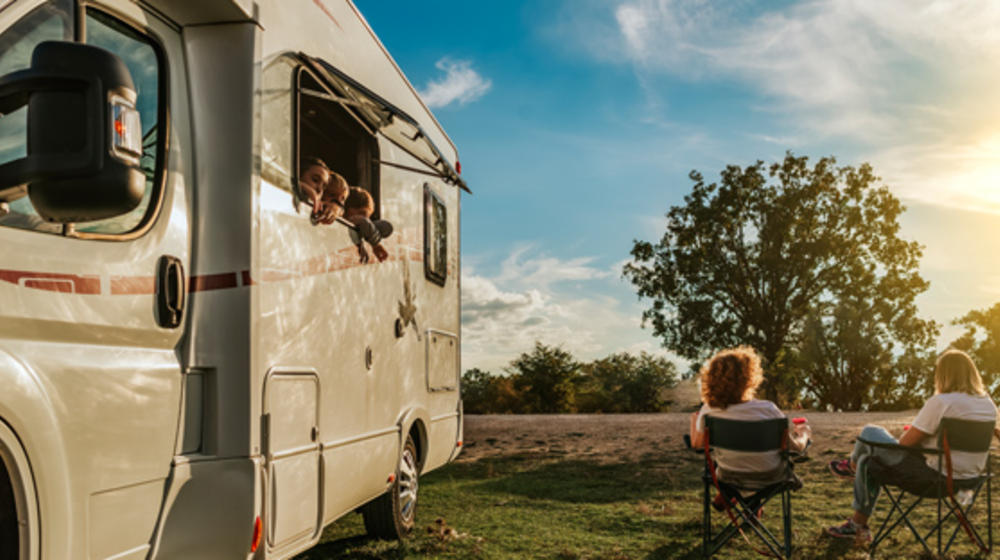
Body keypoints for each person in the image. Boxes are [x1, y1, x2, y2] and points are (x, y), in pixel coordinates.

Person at [825, 349, 998, 541]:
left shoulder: (941, 402)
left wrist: (916, 435)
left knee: (869, 433)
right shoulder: (988, 405)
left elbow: (905, 444)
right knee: (867, 460)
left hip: (934, 478)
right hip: (971, 480)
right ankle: (857, 518)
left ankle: (851, 469)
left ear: (942, 375)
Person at [689, 346, 806, 503]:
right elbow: (795, 448)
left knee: (731, 464)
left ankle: (737, 499)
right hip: (770, 476)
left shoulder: (709, 411)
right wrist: (804, 434)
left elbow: (697, 444)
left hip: (729, 476)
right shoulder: (768, 409)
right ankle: (752, 503)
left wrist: (694, 421)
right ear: (750, 378)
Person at [343, 186, 392, 263]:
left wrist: (359, 245)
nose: (366, 220)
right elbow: (362, 221)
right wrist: (376, 245)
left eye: (368, 217)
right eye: (361, 213)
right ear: (346, 209)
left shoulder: (353, 231)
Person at [298, 157, 347, 225]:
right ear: (299, 175)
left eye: (324, 186)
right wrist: (298, 186)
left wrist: (335, 209)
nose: (319, 189)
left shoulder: (319, 210)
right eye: (315, 180)